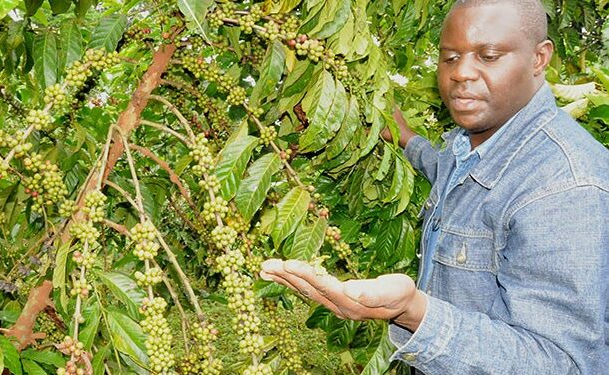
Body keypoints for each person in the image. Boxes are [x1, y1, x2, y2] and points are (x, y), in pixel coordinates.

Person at [260, 0, 609, 373]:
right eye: (450, 57)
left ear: (540, 59)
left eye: (488, 56)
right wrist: (402, 136)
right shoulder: (470, 144)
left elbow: (563, 363)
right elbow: (440, 165)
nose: (462, 73)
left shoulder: (565, 187)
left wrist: (416, 314)